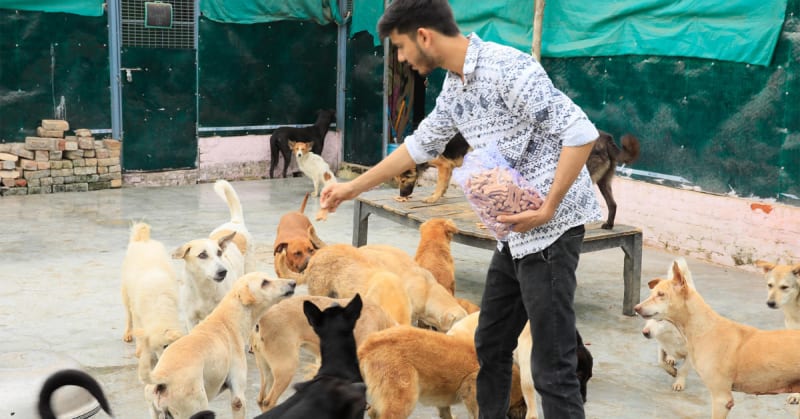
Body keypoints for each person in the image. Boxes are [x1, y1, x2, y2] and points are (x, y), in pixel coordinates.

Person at [320, 0, 601, 417]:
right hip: (514, 235)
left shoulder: (509, 68)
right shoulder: (454, 86)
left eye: (399, 47)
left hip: (552, 231)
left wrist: (548, 208)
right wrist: (350, 189)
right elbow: (419, 146)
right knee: (490, 344)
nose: (399, 58)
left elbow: (581, 133)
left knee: (551, 366)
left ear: (424, 36)